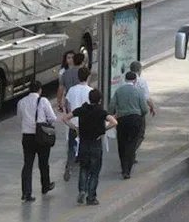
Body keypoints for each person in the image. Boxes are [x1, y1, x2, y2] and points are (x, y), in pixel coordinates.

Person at [62, 89, 117, 206]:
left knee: (84, 168)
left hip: (83, 144)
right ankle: (91, 197)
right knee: (94, 172)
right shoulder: (101, 111)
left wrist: (75, 128)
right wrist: (103, 130)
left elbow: (65, 118)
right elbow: (114, 122)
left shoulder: (82, 109)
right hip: (96, 144)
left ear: (89, 98)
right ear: (100, 100)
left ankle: (82, 190)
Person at [18, 81, 57, 202]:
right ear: (40, 90)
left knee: (28, 164)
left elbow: (20, 117)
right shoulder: (43, 101)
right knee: (43, 162)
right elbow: (52, 118)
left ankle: (26, 193)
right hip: (41, 136)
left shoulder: (21, 102)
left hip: (27, 136)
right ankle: (45, 186)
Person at [109, 71, 148, 179]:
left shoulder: (119, 91)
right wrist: (140, 116)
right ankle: (128, 170)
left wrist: (111, 114)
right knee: (132, 143)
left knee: (122, 143)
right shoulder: (138, 91)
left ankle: (123, 168)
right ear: (135, 80)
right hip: (135, 119)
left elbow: (111, 106)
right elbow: (144, 108)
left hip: (122, 119)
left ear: (125, 79)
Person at [58, 52, 86, 181]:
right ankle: (80, 159)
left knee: (72, 135)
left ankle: (69, 162)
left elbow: (61, 91)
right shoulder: (83, 73)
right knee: (84, 138)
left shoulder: (65, 74)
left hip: (71, 109)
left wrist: (60, 104)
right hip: (83, 111)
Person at [129, 61, 156, 163]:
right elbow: (147, 98)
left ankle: (130, 152)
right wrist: (152, 108)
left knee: (129, 135)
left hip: (125, 112)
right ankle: (131, 151)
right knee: (140, 134)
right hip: (138, 112)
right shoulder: (141, 82)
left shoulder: (124, 80)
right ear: (139, 70)